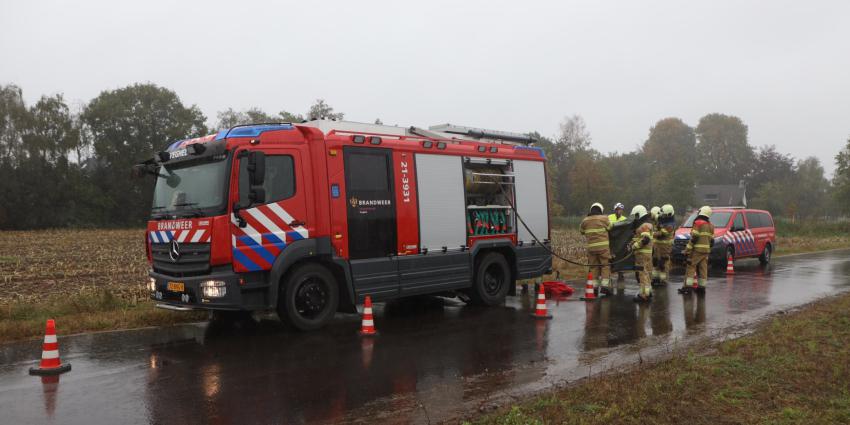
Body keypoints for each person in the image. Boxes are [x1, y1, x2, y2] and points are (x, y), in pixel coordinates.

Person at [679, 206, 715, 294]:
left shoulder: (698, 223)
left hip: (697, 250)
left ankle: (687, 287)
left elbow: (694, 237)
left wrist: (687, 249)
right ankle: (701, 288)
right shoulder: (711, 225)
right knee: (703, 269)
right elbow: (712, 240)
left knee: (691, 267)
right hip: (706, 251)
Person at [580, 202, 613, 295]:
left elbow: (581, 231)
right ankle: (605, 286)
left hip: (591, 249)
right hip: (603, 248)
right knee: (605, 265)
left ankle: (594, 287)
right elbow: (610, 227)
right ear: (600, 210)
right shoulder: (604, 218)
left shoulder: (585, 220)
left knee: (594, 267)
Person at [629, 205, 654, 302]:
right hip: (646, 253)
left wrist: (635, 246)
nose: (635, 218)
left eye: (636, 215)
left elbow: (645, 239)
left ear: (639, 214)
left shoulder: (644, 225)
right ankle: (648, 291)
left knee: (642, 273)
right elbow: (640, 237)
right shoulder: (645, 224)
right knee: (645, 272)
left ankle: (644, 295)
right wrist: (632, 242)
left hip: (642, 253)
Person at [652, 204, 676, 286]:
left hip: (665, 247)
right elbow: (655, 216)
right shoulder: (662, 218)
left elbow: (662, 234)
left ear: (669, 214)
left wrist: (653, 234)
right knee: (655, 262)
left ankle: (663, 280)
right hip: (657, 246)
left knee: (663, 263)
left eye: (664, 215)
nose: (662, 216)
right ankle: (655, 279)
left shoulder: (670, 225)